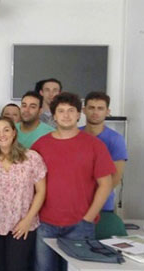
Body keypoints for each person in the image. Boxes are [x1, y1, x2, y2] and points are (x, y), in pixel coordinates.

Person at [32, 92, 115, 271]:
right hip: (46, 224)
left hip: (80, 225)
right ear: (54, 116)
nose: (66, 115)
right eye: (61, 111)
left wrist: (88, 218)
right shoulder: (40, 145)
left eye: (71, 110)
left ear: (79, 114)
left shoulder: (94, 145)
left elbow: (106, 184)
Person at [0, 116, 46, 271]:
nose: (2, 135)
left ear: (14, 132)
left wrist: (28, 220)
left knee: (17, 266)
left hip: (21, 223)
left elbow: (40, 191)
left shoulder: (31, 157)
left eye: (6, 130)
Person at [80, 92, 128, 237]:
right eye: (91, 108)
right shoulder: (75, 135)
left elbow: (115, 178)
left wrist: (96, 200)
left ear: (107, 111)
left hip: (103, 207)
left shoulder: (115, 140)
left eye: (100, 108)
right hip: (76, 205)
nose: (95, 112)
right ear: (83, 110)